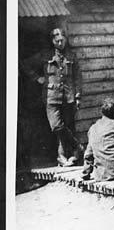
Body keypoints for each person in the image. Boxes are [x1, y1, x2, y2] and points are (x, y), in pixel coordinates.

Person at [40, 28, 85, 166]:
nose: (60, 43)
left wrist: (77, 97)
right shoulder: (45, 55)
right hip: (51, 97)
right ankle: (78, 148)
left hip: (68, 97)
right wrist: (38, 79)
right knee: (57, 126)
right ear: (53, 41)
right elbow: (24, 64)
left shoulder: (71, 56)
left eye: (62, 40)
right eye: (57, 41)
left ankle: (64, 156)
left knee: (68, 127)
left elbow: (77, 77)